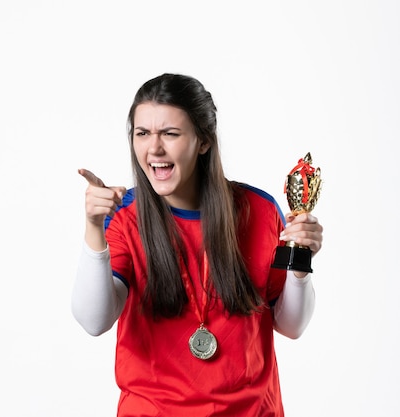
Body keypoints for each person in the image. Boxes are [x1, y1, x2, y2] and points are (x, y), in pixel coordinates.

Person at [72, 73, 323, 416]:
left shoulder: (261, 211)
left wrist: (301, 260)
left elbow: (291, 325)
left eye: (170, 134)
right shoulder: (125, 216)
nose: (154, 148)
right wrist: (92, 228)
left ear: (203, 141)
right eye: (142, 134)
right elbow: (93, 320)